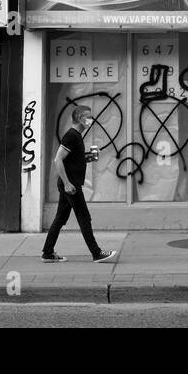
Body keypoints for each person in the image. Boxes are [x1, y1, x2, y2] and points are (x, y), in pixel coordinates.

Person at [41, 105, 117, 264]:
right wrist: (68, 184)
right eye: (88, 116)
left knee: (60, 218)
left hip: (70, 184)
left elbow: (71, 160)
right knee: (84, 217)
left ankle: (47, 252)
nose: (91, 119)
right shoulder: (71, 136)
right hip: (71, 186)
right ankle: (97, 253)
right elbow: (58, 159)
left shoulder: (77, 136)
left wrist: (87, 158)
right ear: (80, 119)